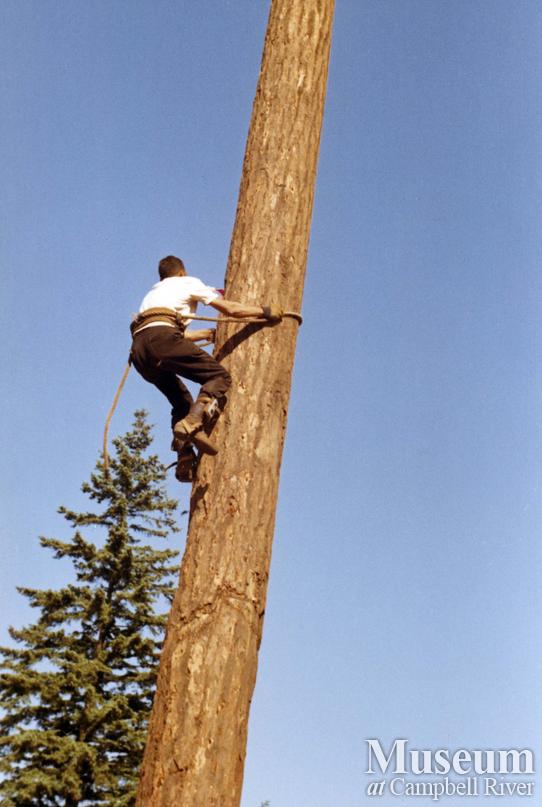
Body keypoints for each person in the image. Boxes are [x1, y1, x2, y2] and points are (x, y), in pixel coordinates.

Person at [130, 255, 281, 481]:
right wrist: (264, 311)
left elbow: (162, 332)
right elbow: (230, 309)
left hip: (140, 352)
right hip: (163, 339)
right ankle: (193, 421)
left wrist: (206, 334)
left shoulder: (153, 295)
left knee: (180, 401)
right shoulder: (187, 282)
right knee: (218, 376)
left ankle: (184, 455)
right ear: (182, 272)